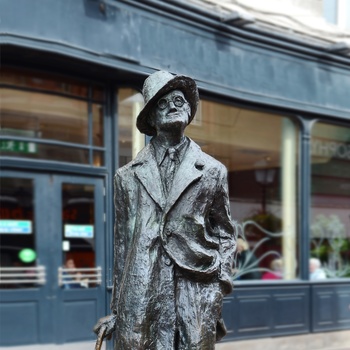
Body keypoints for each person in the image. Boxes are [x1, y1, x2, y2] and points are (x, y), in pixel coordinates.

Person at [93, 71, 236, 349]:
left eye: (179, 100)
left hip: (196, 286)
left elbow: (226, 233)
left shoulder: (212, 171)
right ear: (150, 119)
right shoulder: (127, 176)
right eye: (162, 102)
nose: (173, 105)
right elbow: (123, 244)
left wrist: (220, 285)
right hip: (142, 286)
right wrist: (117, 310)